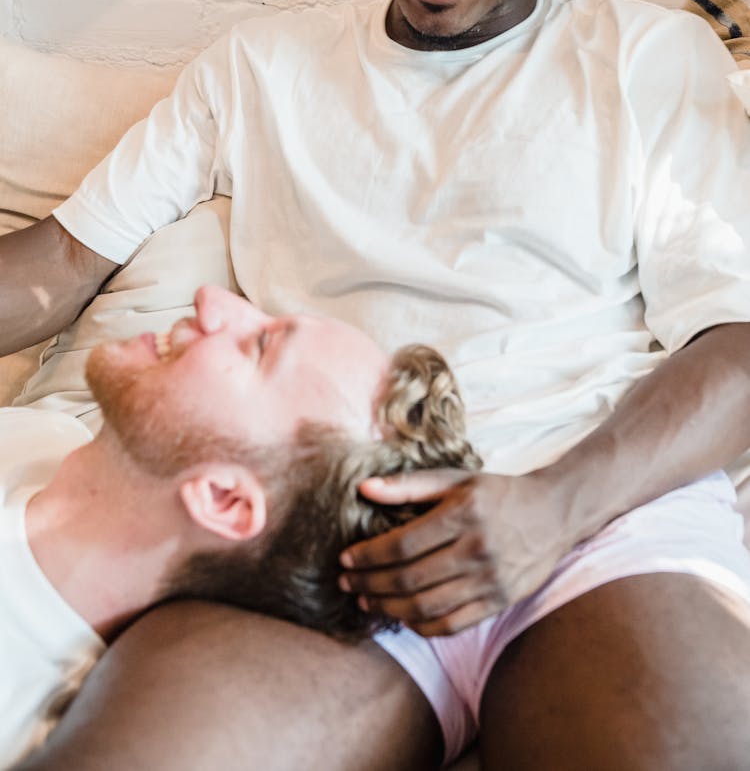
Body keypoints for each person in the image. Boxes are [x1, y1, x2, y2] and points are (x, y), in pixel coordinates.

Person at [5, 0, 750, 770]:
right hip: (327, 544)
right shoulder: (260, 68)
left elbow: (738, 345)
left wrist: (550, 509)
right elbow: (54, 266)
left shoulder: (643, 56)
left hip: (599, 521)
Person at [0, 283, 480, 769]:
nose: (211, 298)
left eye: (259, 345)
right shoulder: (47, 438)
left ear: (223, 500)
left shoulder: (14, 697)